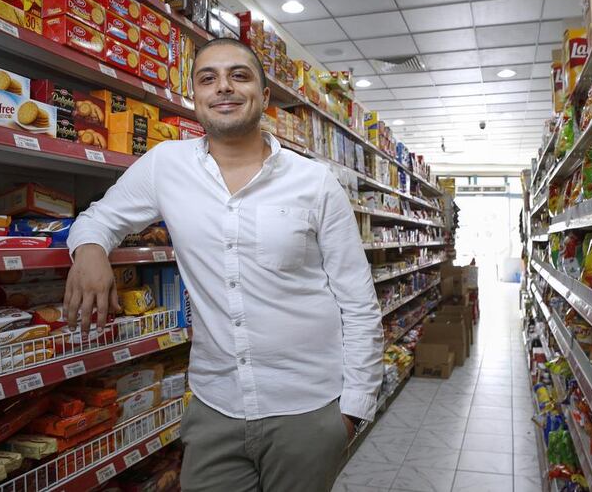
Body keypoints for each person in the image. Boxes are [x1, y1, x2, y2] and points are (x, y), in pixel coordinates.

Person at [65, 38, 384, 492]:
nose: (224, 88)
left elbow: (358, 302)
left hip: (308, 410)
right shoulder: (165, 166)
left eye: (240, 75)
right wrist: (91, 250)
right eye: (208, 78)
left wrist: (352, 410)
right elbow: (97, 219)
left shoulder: (315, 183)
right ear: (195, 95)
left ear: (265, 95)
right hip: (215, 408)